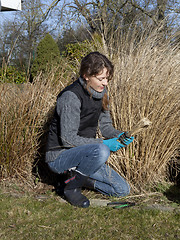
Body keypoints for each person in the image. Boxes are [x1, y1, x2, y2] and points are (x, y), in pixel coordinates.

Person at [45, 52, 133, 208]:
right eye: (101, 79)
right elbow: (67, 139)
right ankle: (72, 189)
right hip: (60, 156)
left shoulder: (102, 93)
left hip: (86, 156)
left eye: (107, 78)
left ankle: (71, 180)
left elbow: (106, 127)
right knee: (102, 151)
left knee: (121, 190)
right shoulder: (70, 97)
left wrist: (120, 136)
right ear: (86, 75)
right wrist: (105, 144)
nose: (105, 83)